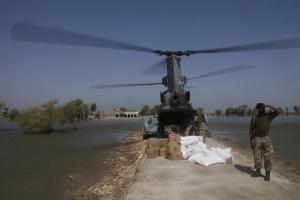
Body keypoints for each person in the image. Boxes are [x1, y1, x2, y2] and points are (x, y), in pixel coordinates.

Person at [249, 103, 280, 181]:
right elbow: (251, 130)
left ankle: (267, 174)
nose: (262, 109)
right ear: (257, 109)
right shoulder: (254, 118)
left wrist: (269, 106)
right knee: (257, 156)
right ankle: (258, 171)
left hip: (266, 138)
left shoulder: (268, 116)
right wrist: (251, 140)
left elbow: (278, 112)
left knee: (268, 156)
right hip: (257, 138)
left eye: (263, 108)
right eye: (260, 108)